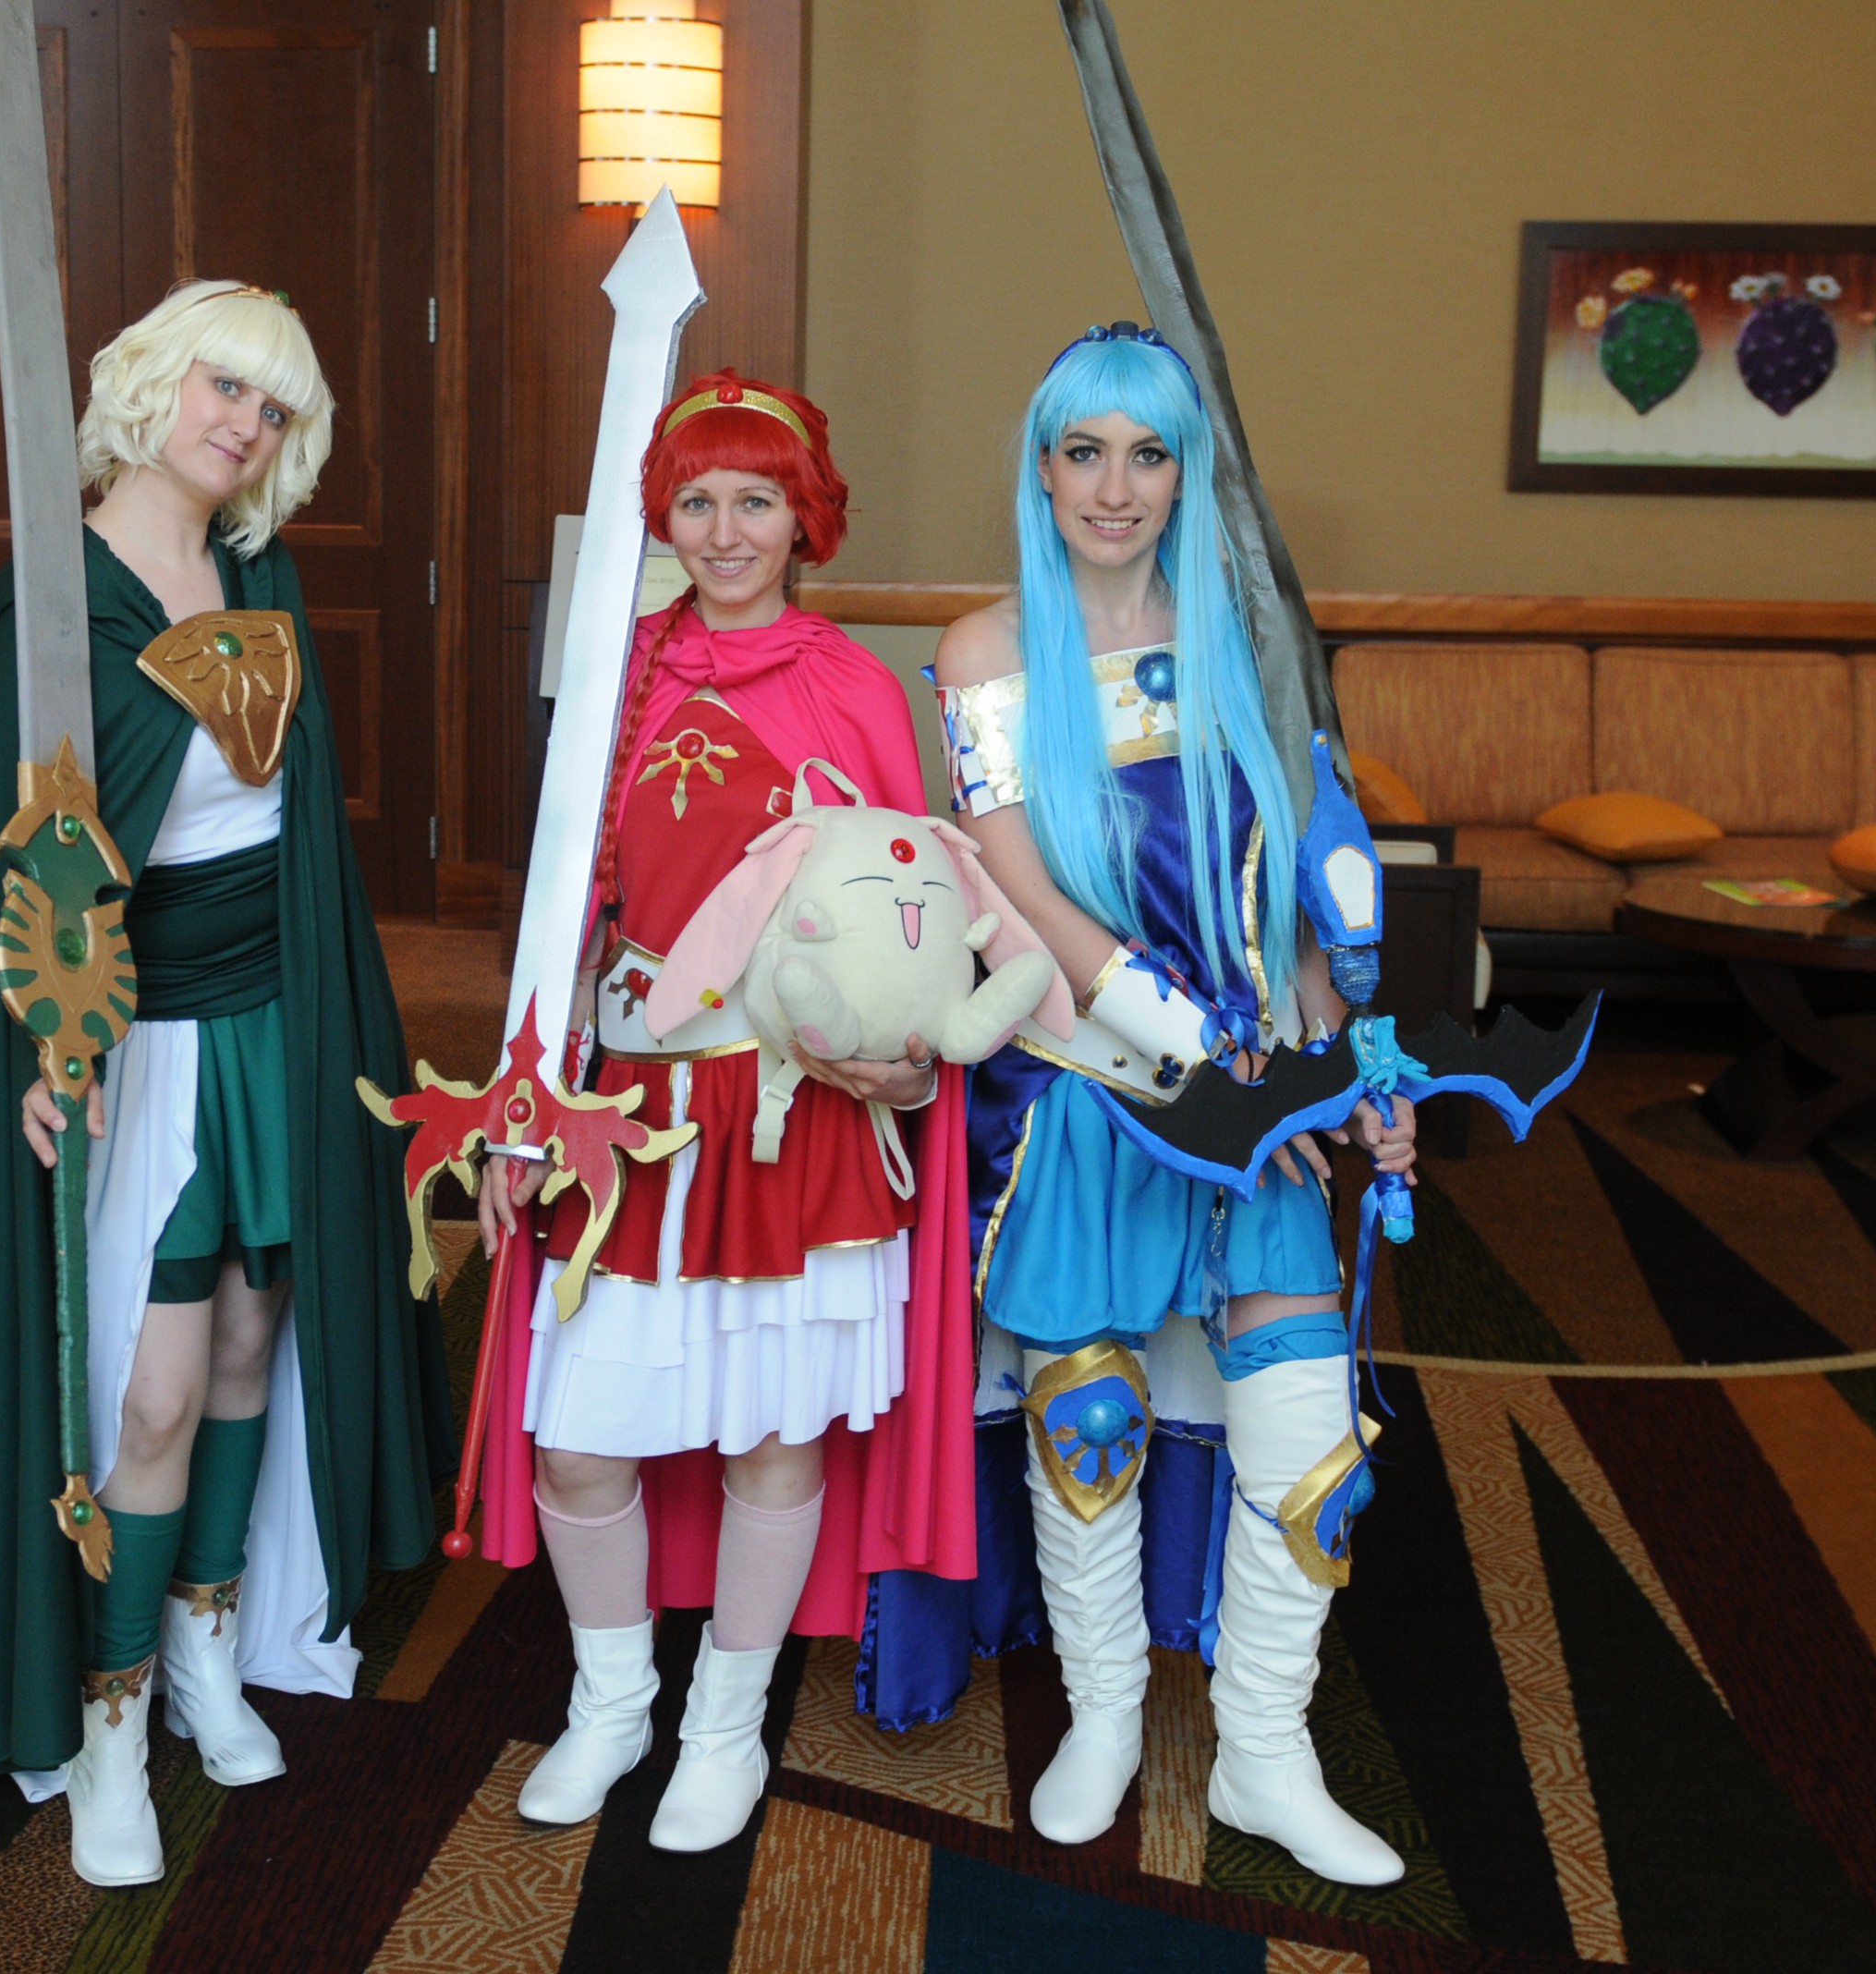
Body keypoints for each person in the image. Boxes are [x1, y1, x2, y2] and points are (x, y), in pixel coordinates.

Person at [0, 279, 452, 1887]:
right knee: (152, 1390)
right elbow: (27, 860)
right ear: (154, 381)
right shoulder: (53, 597)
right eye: (223, 386)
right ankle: (110, 1728)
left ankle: (205, 1646)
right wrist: (45, 1043)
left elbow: (294, 821)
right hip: (146, 1031)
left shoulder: (259, 569)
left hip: (281, 1016)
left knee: (251, 1343)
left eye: (273, 405)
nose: (243, 423)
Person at [933, 324, 1417, 1883]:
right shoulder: (986, 654)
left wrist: (1351, 1067)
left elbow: (1307, 889)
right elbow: (1019, 887)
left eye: (1150, 454)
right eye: (1085, 451)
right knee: (1088, 1418)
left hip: (1255, 1092)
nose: (1116, 487)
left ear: (1188, 473)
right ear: (1043, 469)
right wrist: (1180, 1039)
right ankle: (1105, 1718)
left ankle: (1267, 1753)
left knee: (1311, 1435)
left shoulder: (1251, 648)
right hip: (1090, 1090)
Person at [476, 372, 979, 1854]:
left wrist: (908, 1065)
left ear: (805, 516)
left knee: (773, 1442)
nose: (724, 530)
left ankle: (723, 1726)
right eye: (695, 500)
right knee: (580, 1443)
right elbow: (562, 915)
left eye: (756, 499)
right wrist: (522, 1102)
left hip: (794, 1119)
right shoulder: (617, 672)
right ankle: (612, 1704)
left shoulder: (860, 690)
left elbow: (916, 919)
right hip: (629, 1110)